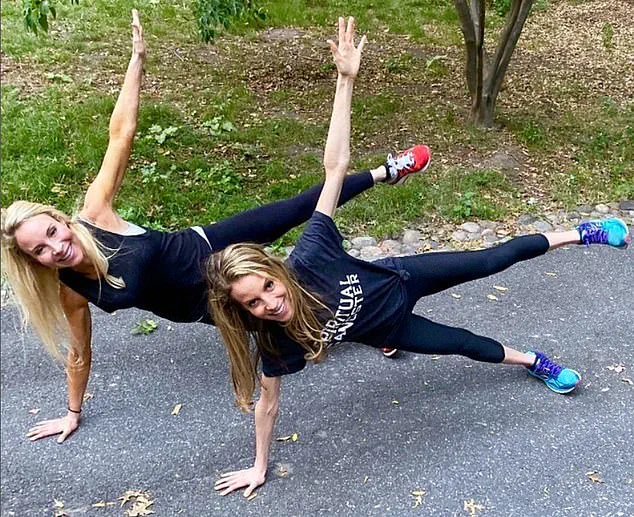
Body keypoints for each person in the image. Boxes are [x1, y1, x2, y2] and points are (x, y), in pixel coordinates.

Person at [207, 16, 631, 497]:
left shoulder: (312, 255)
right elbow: (267, 405)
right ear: (244, 311)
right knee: (464, 344)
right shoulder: (275, 341)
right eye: (254, 303)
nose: (269, 302)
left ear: (275, 271)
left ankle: (582, 233)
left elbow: (335, 168)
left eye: (267, 287)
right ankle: (535, 361)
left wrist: (345, 81)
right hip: (389, 328)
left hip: (402, 278)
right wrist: (259, 467)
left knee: (491, 259)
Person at [0, 11, 430, 444]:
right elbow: (79, 352)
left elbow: (121, 134)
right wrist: (72, 413)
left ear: (60, 219)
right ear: (34, 262)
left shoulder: (95, 215)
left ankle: (385, 172)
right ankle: (378, 324)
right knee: (297, 312)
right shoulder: (72, 289)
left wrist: (137, 62)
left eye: (52, 232)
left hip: (211, 242)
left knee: (299, 207)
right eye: (40, 250)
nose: (56, 247)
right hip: (210, 303)